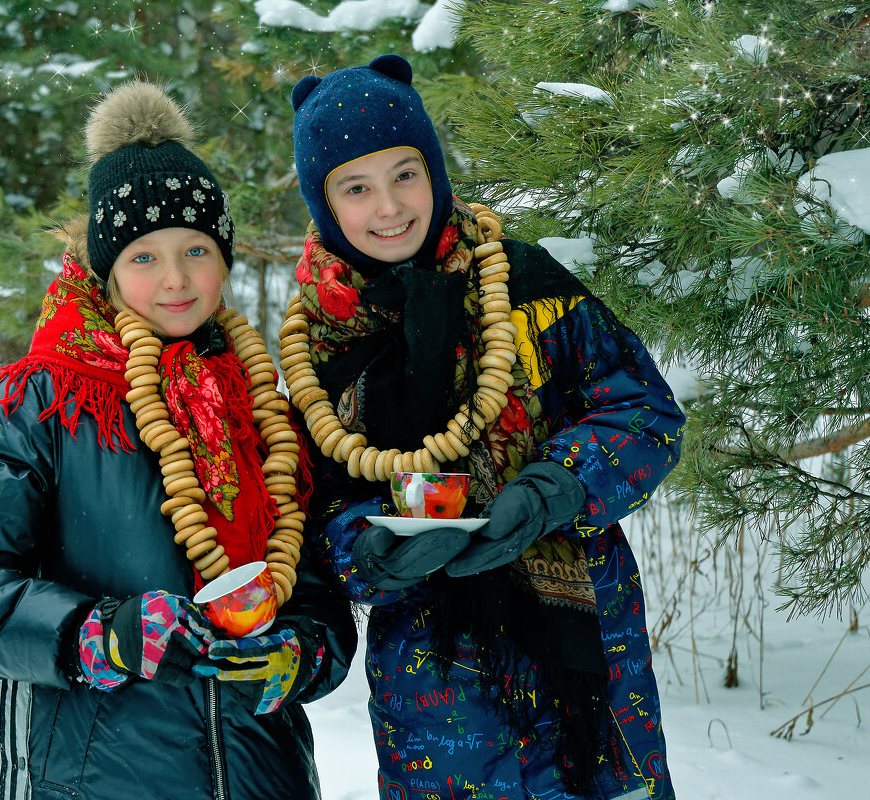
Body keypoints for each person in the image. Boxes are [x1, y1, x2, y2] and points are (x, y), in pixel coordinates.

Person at [0, 81, 356, 800]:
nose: (177, 279)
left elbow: (309, 582)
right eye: (144, 257)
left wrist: (303, 650)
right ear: (107, 267)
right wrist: (92, 632)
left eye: (196, 250)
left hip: (258, 775)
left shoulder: (252, 401)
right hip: (92, 777)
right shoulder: (46, 398)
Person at [282, 54, 683, 800]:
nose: (390, 205)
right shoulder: (318, 351)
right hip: (433, 694)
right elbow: (311, 509)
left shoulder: (524, 285)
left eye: (405, 173)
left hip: (590, 663)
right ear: (324, 202)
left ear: (434, 170)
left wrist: (556, 488)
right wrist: (371, 549)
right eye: (356, 187)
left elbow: (647, 415)